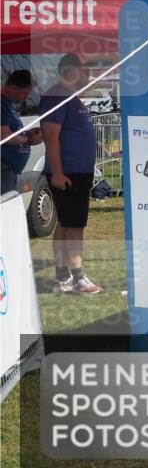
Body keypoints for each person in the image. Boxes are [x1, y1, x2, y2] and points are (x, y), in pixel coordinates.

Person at [39, 53, 101, 294]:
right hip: (68, 173)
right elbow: (51, 136)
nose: (88, 75)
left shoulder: (69, 97)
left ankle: (64, 278)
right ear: (72, 70)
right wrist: (57, 173)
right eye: (85, 70)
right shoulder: (57, 96)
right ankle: (77, 278)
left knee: (68, 224)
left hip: (76, 172)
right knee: (74, 226)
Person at [1, 70, 41, 194]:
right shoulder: (2, 105)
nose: (26, 97)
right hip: (3, 169)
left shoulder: (8, 105)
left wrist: (27, 134)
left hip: (9, 170)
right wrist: (27, 139)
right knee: (5, 208)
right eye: (24, 93)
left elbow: (10, 131)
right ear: (13, 88)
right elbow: (4, 136)